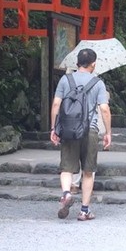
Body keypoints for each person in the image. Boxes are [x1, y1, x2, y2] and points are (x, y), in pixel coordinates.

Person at [50, 47, 112, 221]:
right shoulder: (97, 83)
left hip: (68, 129)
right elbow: (105, 110)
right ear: (93, 64)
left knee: (67, 168)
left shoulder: (65, 80)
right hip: (90, 130)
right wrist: (108, 132)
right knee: (87, 171)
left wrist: (54, 128)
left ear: (77, 63)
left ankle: (67, 193)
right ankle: (84, 211)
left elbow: (56, 105)